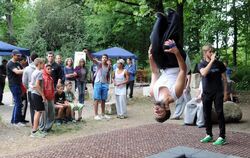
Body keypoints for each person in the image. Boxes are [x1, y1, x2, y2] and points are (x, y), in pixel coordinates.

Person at [149, 40, 187, 123]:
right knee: (169, 40)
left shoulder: (153, 93)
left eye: (155, 113)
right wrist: (176, 52)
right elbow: (183, 70)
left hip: (163, 65)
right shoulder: (176, 93)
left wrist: (150, 57)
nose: (156, 110)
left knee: (154, 38)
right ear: (167, 108)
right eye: (160, 113)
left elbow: (155, 72)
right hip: (176, 62)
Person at [198, 44, 228, 146]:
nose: (212, 53)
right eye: (210, 52)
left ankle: (222, 137)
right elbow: (204, 73)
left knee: (220, 113)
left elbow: (225, 79)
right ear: (205, 53)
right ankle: (209, 134)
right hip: (206, 93)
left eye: (213, 51)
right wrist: (211, 61)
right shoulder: (201, 64)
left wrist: (225, 92)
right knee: (206, 114)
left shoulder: (219, 64)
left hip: (218, 92)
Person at [84, 49, 111, 120]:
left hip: (105, 84)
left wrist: (108, 84)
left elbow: (108, 75)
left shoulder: (109, 66)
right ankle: (96, 115)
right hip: (98, 83)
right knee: (96, 99)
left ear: (107, 59)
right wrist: (88, 53)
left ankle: (103, 114)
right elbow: (92, 59)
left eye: (105, 57)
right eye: (103, 57)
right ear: (101, 58)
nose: (104, 59)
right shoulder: (99, 63)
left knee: (103, 100)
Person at [6, 49, 25, 126]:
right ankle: (16, 122)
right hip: (14, 85)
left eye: (19, 55)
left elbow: (21, 70)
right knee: (18, 103)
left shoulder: (17, 63)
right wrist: (26, 69)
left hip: (18, 84)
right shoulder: (10, 64)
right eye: (17, 56)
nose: (19, 57)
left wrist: (23, 70)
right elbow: (17, 72)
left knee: (18, 103)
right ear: (13, 55)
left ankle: (14, 120)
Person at [29, 58, 46, 138]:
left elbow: (31, 84)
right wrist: (43, 95)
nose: (44, 65)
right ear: (39, 64)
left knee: (37, 112)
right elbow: (37, 85)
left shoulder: (34, 72)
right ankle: (34, 131)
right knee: (38, 112)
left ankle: (36, 130)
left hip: (33, 93)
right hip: (37, 94)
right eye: (43, 63)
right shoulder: (39, 72)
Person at [22, 53, 38, 125]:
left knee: (32, 108)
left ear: (30, 59)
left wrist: (28, 87)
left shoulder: (27, 69)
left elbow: (24, 81)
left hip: (30, 90)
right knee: (39, 108)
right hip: (39, 90)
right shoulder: (41, 67)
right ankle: (39, 123)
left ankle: (33, 124)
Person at [40, 64, 55, 132]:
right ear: (45, 69)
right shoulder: (43, 77)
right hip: (45, 98)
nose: (49, 70)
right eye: (48, 69)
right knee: (44, 114)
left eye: (50, 69)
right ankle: (42, 128)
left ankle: (48, 127)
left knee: (52, 113)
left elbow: (52, 88)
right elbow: (41, 88)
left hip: (51, 98)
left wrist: (53, 96)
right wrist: (43, 96)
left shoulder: (51, 78)